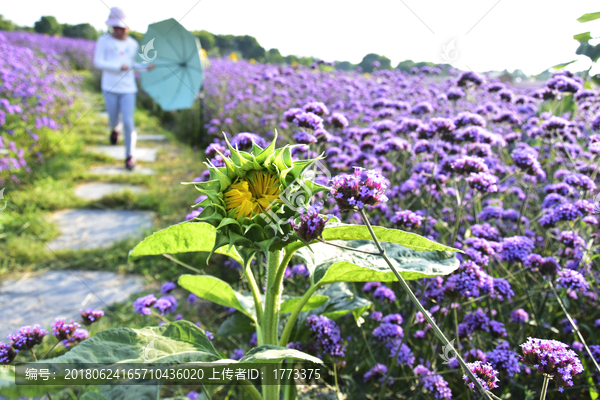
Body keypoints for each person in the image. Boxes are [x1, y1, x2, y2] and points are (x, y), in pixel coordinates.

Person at [93, 7, 155, 171]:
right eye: (116, 28)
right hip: (109, 87)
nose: (120, 31)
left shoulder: (133, 44)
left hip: (128, 89)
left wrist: (146, 67)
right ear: (112, 27)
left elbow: (134, 65)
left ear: (128, 28)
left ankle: (130, 156)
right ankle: (115, 129)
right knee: (113, 119)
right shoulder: (104, 41)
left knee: (128, 122)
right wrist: (118, 66)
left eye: (123, 28)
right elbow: (98, 62)